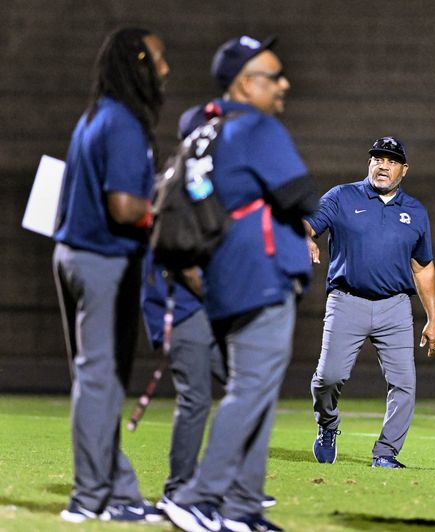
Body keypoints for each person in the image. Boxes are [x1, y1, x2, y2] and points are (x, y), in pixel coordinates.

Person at [162, 35, 317, 532]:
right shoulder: (257, 128)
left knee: (257, 391)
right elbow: (301, 196)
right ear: (246, 84)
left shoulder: (205, 132)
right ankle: (198, 496)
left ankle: (243, 508)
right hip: (261, 273)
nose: (284, 83)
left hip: (224, 276)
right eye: (274, 75)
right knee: (251, 388)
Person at [52, 26, 168, 524]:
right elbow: (124, 207)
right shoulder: (122, 123)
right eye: (159, 60)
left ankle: (116, 488)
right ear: (138, 62)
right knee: (99, 384)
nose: (165, 70)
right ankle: (91, 496)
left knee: (97, 382)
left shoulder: (96, 116)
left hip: (74, 254)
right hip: (103, 260)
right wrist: (163, 208)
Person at [141, 109, 276, 511]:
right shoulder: (181, 186)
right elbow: (182, 260)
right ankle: (179, 489)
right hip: (184, 309)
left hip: (208, 310)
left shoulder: (199, 185)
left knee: (248, 387)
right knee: (197, 399)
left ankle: (238, 488)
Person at [304, 136, 435, 469]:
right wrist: (304, 237)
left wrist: (434, 318)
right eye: (377, 159)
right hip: (346, 301)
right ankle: (328, 424)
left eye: (391, 161)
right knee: (329, 378)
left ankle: (385, 452)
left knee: (404, 385)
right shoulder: (341, 196)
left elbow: (422, 267)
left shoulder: (414, 211)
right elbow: (309, 223)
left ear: (403, 170)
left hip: (395, 308)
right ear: (369, 163)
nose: (383, 165)